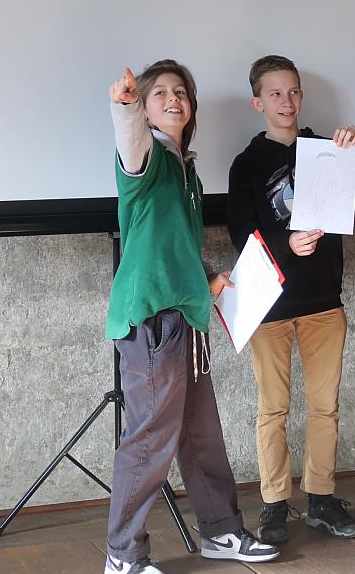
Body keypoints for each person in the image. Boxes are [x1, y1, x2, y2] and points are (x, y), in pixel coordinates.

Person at [105, 61, 279, 574]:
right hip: (152, 321)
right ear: (146, 109)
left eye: (180, 92)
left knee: (201, 433)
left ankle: (221, 532)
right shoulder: (148, 159)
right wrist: (125, 108)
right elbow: (131, 143)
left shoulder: (187, 170)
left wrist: (206, 278)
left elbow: (173, 246)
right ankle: (122, 556)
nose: (173, 99)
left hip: (187, 316)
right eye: (159, 94)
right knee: (150, 440)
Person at [226, 55, 355, 544]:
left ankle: (321, 497)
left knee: (324, 407)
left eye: (293, 91)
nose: (287, 101)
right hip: (270, 305)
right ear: (257, 102)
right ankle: (274, 503)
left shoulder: (327, 151)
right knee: (273, 408)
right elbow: (240, 234)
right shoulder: (247, 164)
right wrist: (285, 245)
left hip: (323, 301)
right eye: (275, 93)